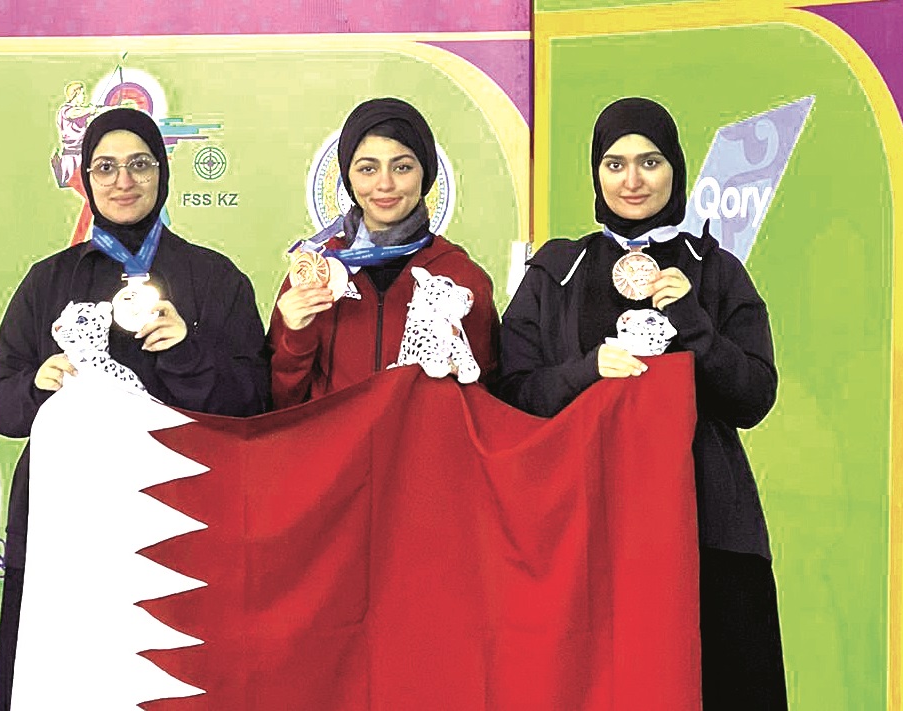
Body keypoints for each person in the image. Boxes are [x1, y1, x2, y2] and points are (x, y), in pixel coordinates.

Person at [498, 97, 786, 709]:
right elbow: (513, 393)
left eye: (650, 162)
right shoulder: (557, 270)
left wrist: (693, 322)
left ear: (676, 169)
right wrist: (585, 372)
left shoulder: (716, 270)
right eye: (615, 163)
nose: (632, 180)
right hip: (584, 530)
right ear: (596, 173)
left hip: (706, 529)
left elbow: (754, 397)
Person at [0, 107, 269, 710]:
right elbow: (0, 407)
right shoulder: (49, 281)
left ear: (162, 172)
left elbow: (253, 402)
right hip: (69, 522)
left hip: (179, 517)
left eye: (139, 164)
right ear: (86, 179)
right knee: (66, 674)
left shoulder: (214, 279)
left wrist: (187, 352)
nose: (123, 181)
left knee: (171, 675)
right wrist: (37, 384)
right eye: (105, 168)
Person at [269, 97, 499, 408]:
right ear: (348, 177)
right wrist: (295, 336)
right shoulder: (319, 271)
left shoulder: (461, 277)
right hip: (335, 441)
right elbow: (281, 406)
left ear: (425, 173)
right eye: (368, 168)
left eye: (402, 167)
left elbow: (488, 402)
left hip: (422, 441)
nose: (385, 184)